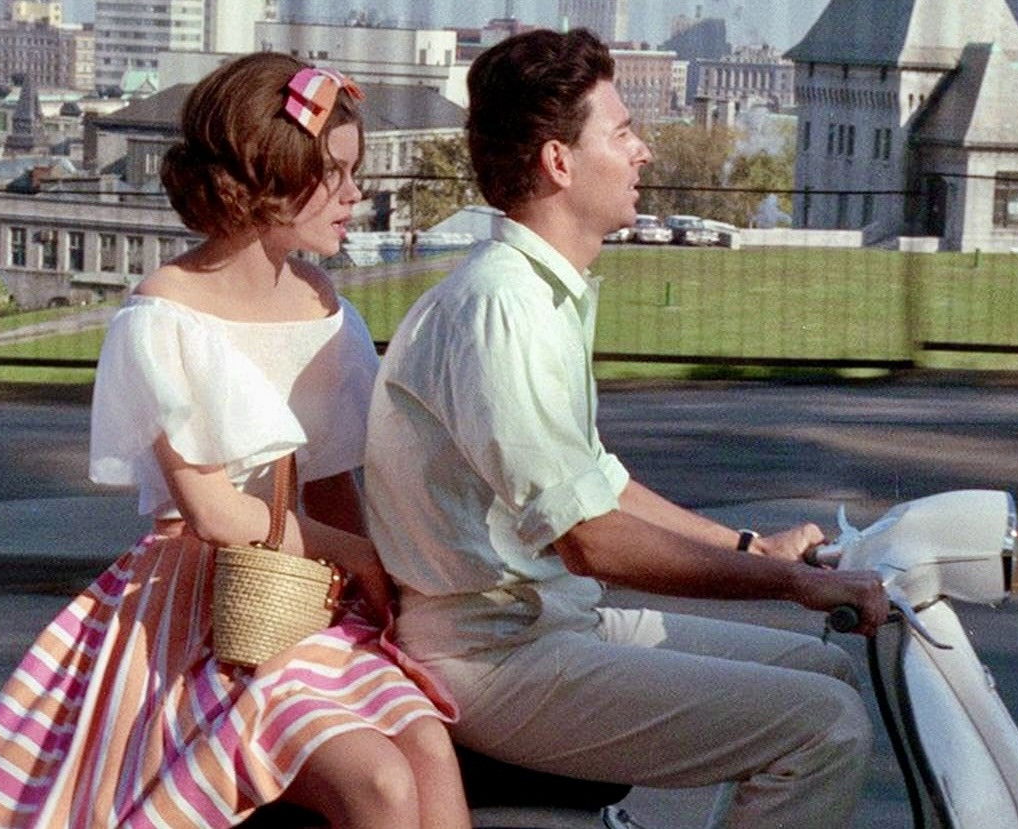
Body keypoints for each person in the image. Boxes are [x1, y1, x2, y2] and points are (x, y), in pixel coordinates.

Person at [0, 53, 469, 829]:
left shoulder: (325, 307)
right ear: (267, 177)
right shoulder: (163, 316)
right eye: (334, 174)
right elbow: (212, 512)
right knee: (378, 781)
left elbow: (329, 481)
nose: (357, 194)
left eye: (355, 173)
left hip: (303, 596)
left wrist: (372, 587)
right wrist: (354, 554)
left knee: (429, 746)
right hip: (201, 613)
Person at [362, 28, 889, 829]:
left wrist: (751, 547)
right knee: (827, 728)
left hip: (553, 622)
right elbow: (592, 539)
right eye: (622, 132)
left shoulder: (539, 294)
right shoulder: (502, 310)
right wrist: (793, 584)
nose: (643, 151)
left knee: (825, 673)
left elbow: (597, 482)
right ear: (559, 162)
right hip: (496, 657)